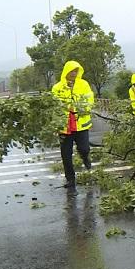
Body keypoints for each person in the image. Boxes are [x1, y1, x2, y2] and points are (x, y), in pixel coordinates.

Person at [52, 60, 94, 193]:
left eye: (76, 71)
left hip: (81, 124)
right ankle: (70, 179)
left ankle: (85, 157)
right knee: (66, 154)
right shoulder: (57, 87)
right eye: (72, 71)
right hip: (64, 126)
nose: (74, 73)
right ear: (66, 72)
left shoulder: (84, 84)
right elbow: (53, 106)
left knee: (84, 148)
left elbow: (89, 99)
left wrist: (80, 108)